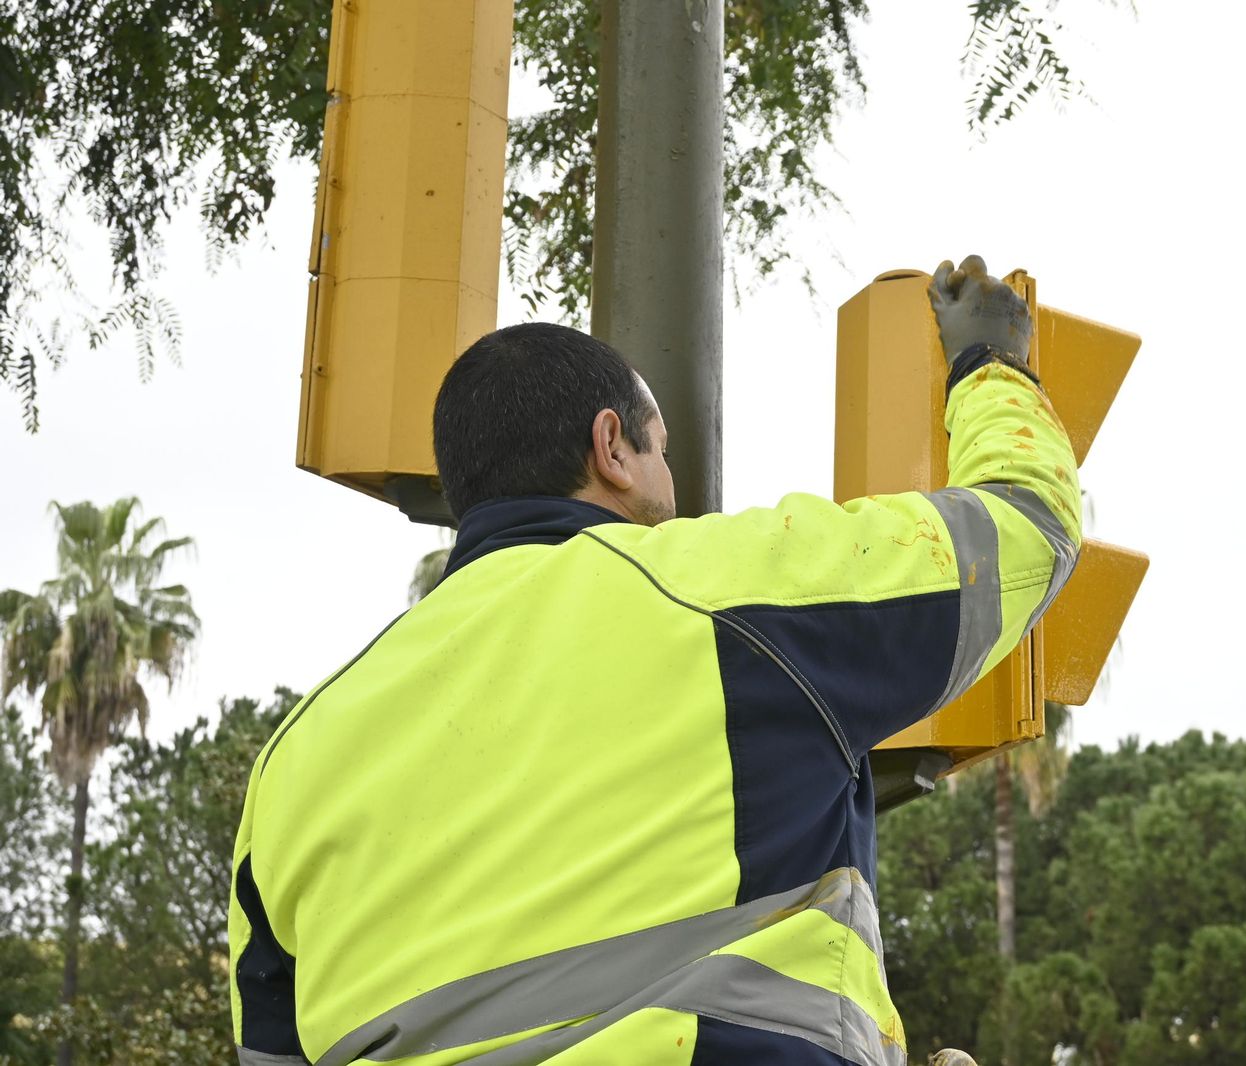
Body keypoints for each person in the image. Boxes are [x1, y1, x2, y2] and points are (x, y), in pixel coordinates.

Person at [228, 256, 1082, 1066]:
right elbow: (1024, 526)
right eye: (662, 448)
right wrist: (990, 364)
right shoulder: (733, 593)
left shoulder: (293, 762)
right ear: (613, 447)